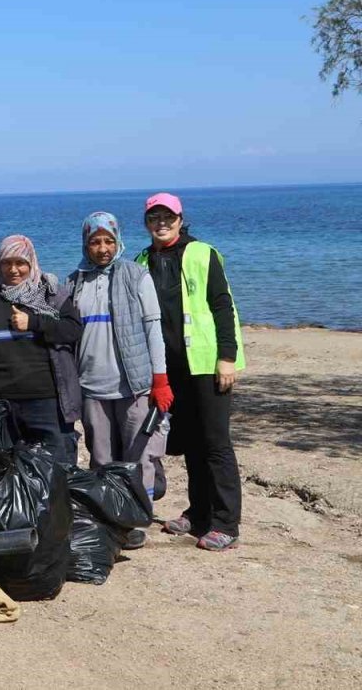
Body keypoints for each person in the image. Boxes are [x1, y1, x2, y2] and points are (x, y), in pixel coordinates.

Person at [136, 193, 245, 552]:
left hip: (206, 362)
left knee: (215, 444)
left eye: (168, 217)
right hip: (170, 368)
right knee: (191, 445)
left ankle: (225, 522)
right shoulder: (141, 260)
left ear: (181, 219)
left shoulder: (202, 253)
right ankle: (198, 513)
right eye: (155, 218)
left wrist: (226, 357)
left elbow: (222, 305)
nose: (161, 223)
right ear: (147, 223)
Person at [66, 212, 172, 549]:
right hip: (92, 387)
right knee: (102, 459)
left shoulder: (135, 275)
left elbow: (153, 329)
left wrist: (160, 379)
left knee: (139, 457)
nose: (102, 248)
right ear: (85, 244)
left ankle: (136, 517)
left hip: (134, 384)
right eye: (95, 242)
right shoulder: (75, 281)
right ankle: (109, 519)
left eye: (108, 241)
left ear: (118, 241)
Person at [0, 235, 82, 463]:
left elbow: (73, 330)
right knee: (4, 471)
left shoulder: (51, 294)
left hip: (46, 400)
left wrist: (36, 323)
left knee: (55, 469)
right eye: (7, 263)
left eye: (20, 263)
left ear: (32, 263)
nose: (14, 270)